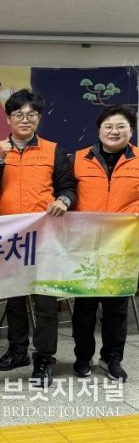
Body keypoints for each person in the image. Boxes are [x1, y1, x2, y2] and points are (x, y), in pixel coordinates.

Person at [0, 89, 77, 387]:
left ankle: (44, 358)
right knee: (14, 298)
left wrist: (64, 200)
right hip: (10, 238)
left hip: (45, 238)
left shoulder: (53, 150)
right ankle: (17, 350)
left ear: (39, 118)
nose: (25, 120)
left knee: (45, 302)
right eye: (18, 115)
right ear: (8, 119)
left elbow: (68, 187)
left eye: (31, 115)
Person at [71, 105, 138, 382]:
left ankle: (112, 359)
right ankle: (82, 357)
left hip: (123, 245)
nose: (114, 131)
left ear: (131, 131)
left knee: (116, 308)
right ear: (99, 130)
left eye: (121, 126)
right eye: (108, 126)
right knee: (84, 307)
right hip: (86, 245)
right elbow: (67, 193)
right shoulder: (79, 159)